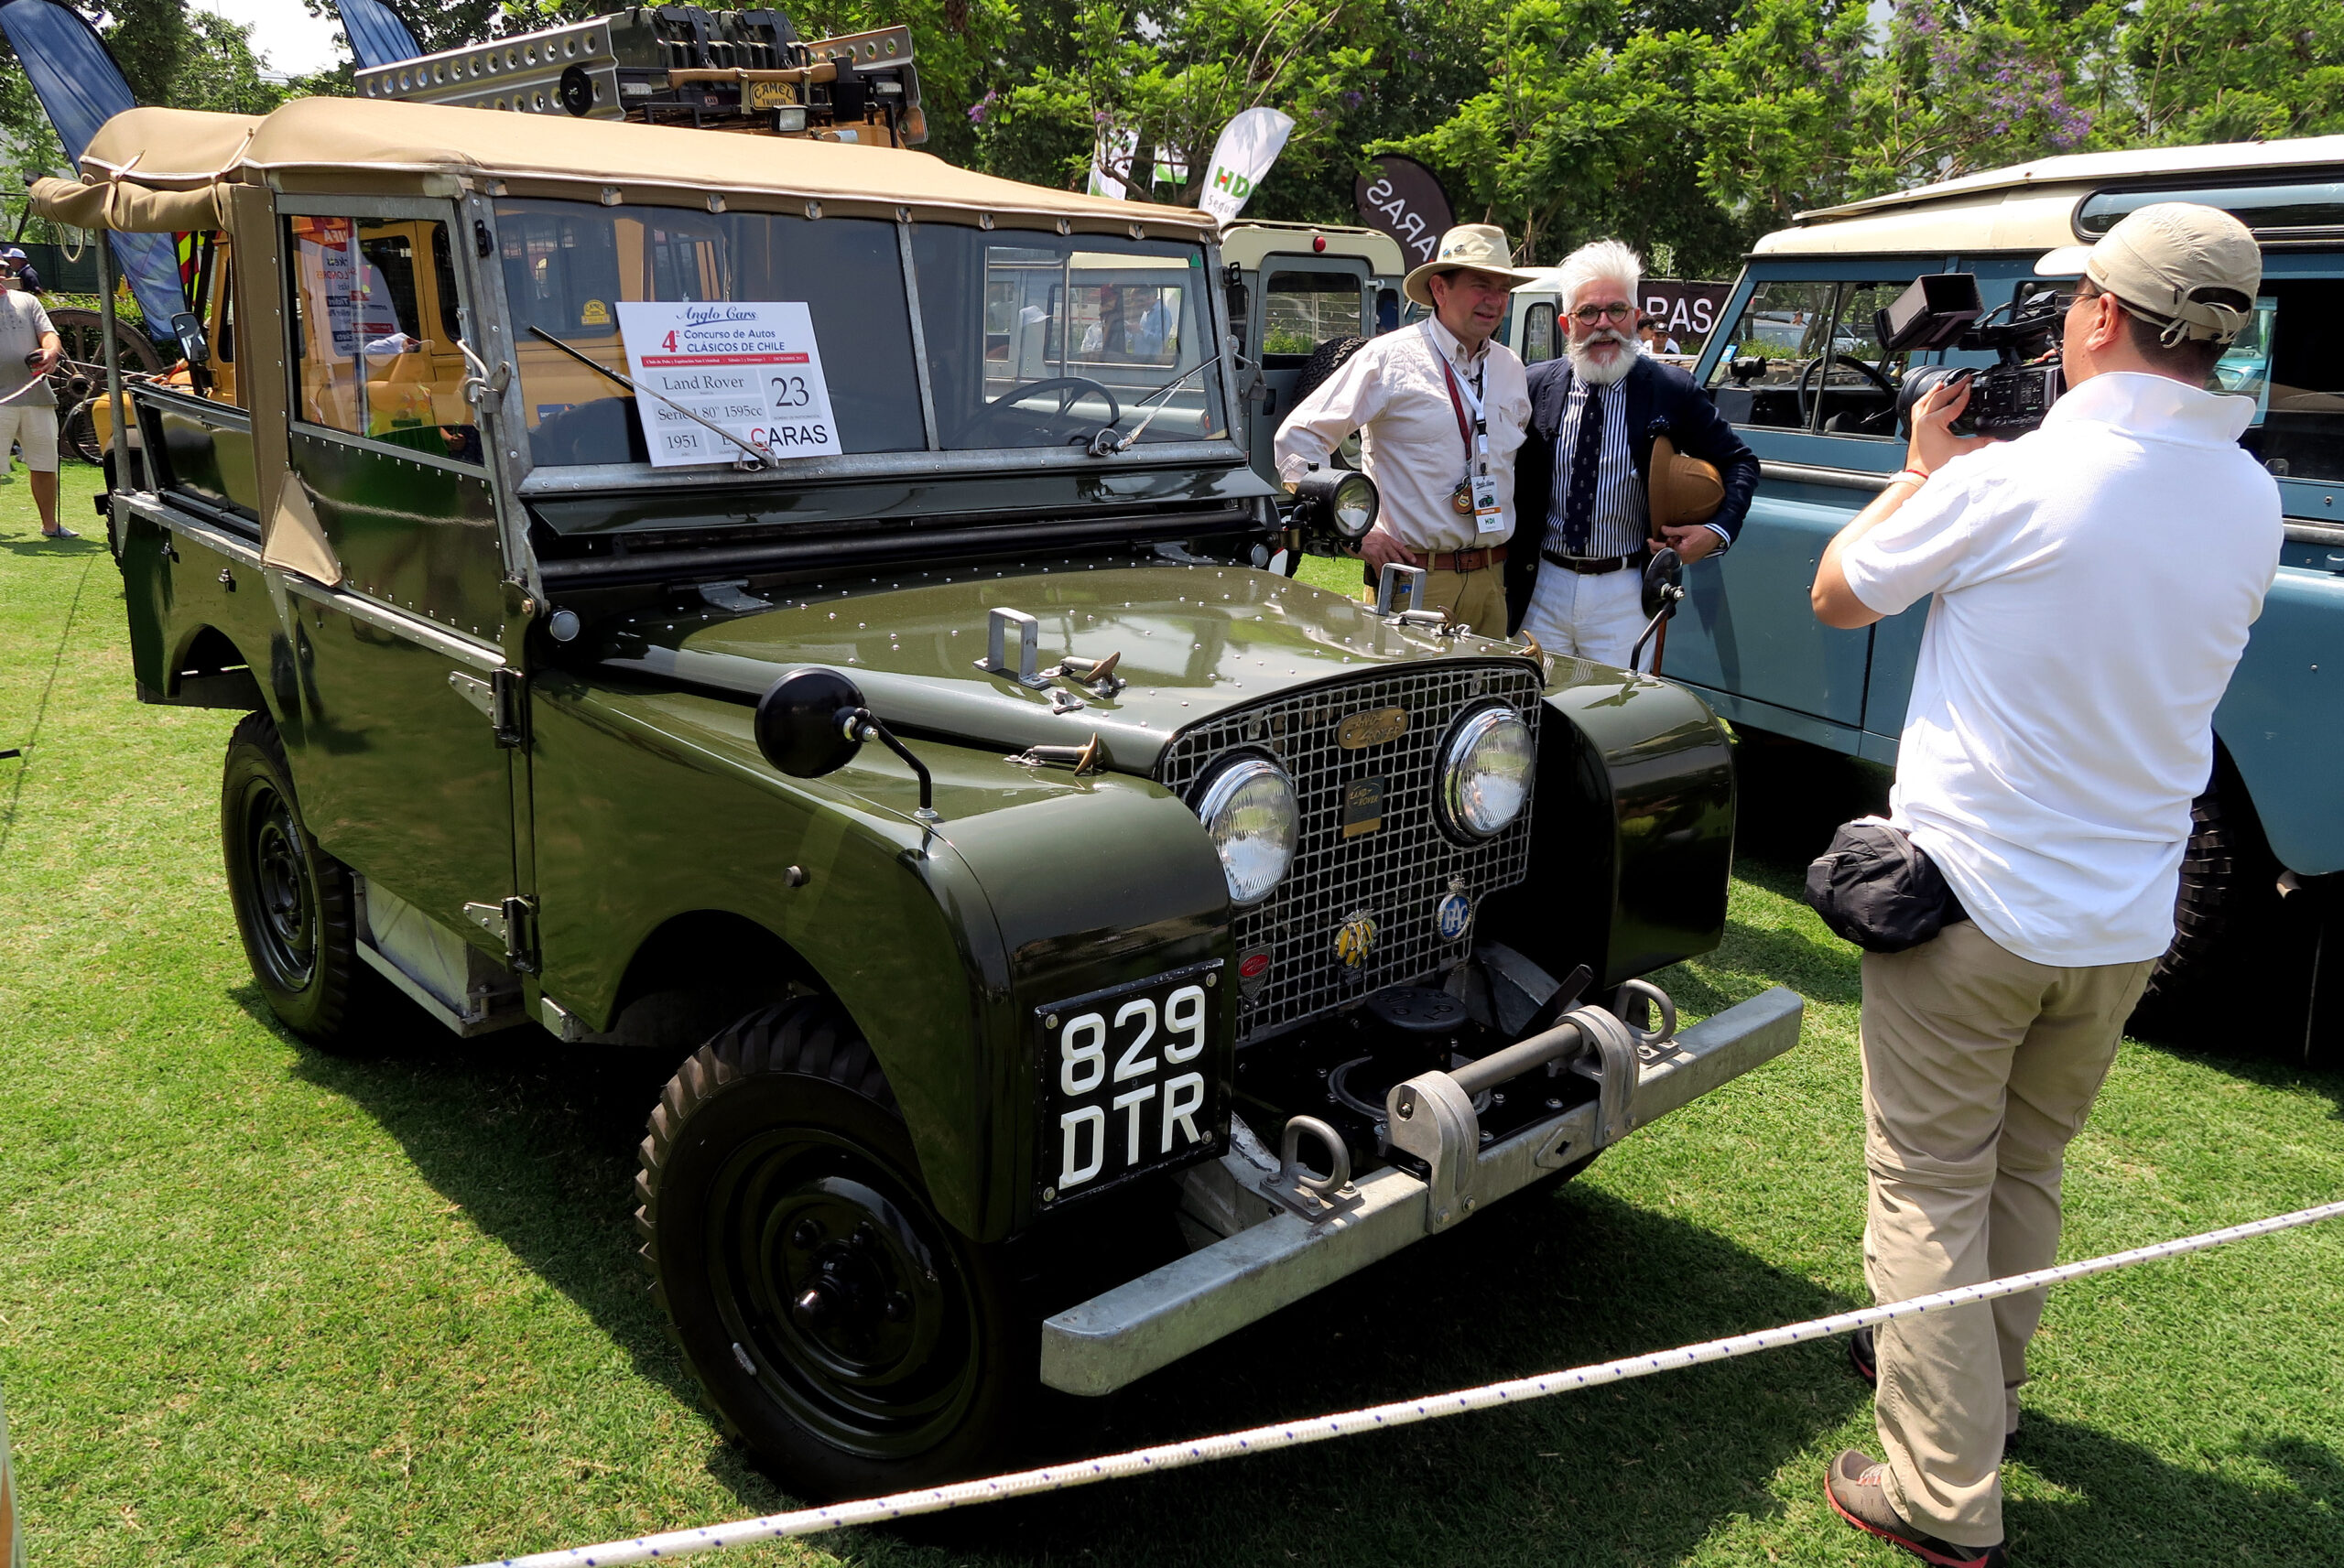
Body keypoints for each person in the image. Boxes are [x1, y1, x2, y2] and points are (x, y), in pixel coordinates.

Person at [1807, 203, 2282, 1568]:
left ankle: (1943, 1491)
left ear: (2098, 316)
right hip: (2125, 918)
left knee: (1926, 1187)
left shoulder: (2014, 478)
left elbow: (1843, 592)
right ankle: (1980, 1400)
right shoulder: (2249, 495)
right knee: (2024, 1169)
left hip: (1970, 906)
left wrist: (1920, 467)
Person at [1275, 224, 1536, 633]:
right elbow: (1298, 440)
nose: (1495, 300)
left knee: (1487, 697)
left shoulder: (1510, 368)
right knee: (1406, 699)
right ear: (1440, 288)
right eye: (1481, 285)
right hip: (1415, 581)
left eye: (1503, 288)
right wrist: (1356, 536)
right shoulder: (1389, 358)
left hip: (1491, 580)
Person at [1507, 241, 1756, 666]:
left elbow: (1740, 463)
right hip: (1539, 587)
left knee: (1611, 719)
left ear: (1636, 318)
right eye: (1588, 313)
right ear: (1568, 324)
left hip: (1624, 591)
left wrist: (1715, 533)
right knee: (1530, 709)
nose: (1603, 324)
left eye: (1616, 310)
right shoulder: (1531, 386)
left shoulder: (1670, 389)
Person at [0, 254, 69, 539]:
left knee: (44, 464)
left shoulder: (27, 301)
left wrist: (51, 351)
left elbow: (49, 335)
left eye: (2, 269)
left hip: (36, 395)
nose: (1, 274)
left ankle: (51, 527)